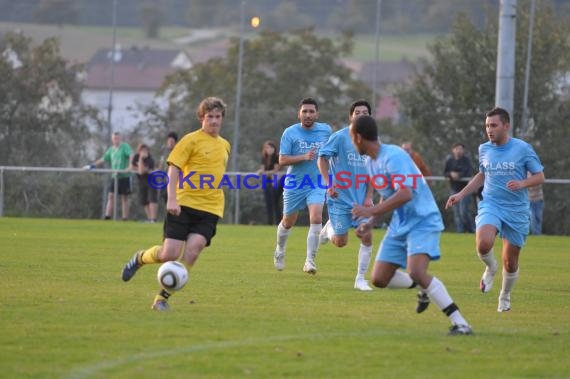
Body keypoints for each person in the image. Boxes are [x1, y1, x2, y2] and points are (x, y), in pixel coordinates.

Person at [351, 115, 472, 335]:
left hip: (422, 219)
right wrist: (371, 222)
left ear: (358, 137)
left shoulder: (394, 156)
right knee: (379, 279)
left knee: (416, 270)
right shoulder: (370, 162)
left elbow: (405, 193)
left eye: (352, 137)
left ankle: (461, 323)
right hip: (400, 222)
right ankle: (423, 287)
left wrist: (370, 211)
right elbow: (386, 197)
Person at [121, 97, 231, 311]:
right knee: (169, 254)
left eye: (218, 117)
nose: (214, 121)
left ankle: (161, 299)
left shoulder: (225, 145)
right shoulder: (191, 140)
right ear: (202, 118)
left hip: (210, 208)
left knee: (194, 250)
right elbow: (174, 168)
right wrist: (172, 198)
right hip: (184, 204)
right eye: (210, 117)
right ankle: (141, 258)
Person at [446, 107, 544, 312]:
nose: (489, 130)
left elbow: (539, 176)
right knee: (483, 244)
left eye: (494, 125)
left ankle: (505, 296)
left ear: (506, 125)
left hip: (516, 210)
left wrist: (522, 183)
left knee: (511, 261)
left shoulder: (522, 148)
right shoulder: (484, 149)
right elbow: (481, 175)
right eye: (487, 126)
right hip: (491, 203)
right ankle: (491, 267)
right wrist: (461, 194)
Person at [317, 99, 374, 291]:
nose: (360, 115)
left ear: (370, 117)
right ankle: (328, 230)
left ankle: (360, 279)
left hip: (362, 201)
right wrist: (328, 183)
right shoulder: (340, 137)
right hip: (339, 198)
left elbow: (374, 172)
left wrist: (369, 196)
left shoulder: (373, 141)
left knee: (367, 235)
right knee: (341, 242)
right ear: (351, 116)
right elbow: (322, 158)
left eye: (364, 112)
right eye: (357, 112)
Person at [273, 98, 332, 274]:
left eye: (311, 111)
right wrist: (303, 157)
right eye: (304, 111)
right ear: (298, 113)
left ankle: (310, 261)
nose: (308, 115)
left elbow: (331, 153)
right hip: (295, 183)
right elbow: (282, 160)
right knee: (288, 222)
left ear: (317, 114)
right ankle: (279, 251)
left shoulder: (326, 130)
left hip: (317, 182)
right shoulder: (290, 133)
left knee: (316, 218)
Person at [86, 132, 133, 221]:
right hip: (115, 176)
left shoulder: (125, 146)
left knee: (124, 197)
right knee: (111, 195)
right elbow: (104, 158)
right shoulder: (111, 149)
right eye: (114, 138)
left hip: (124, 176)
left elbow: (131, 154)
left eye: (118, 138)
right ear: (112, 139)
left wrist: (130, 165)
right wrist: (92, 165)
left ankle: (125, 218)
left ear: (120, 139)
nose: (116, 140)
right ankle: (107, 216)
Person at [444, 143, 475, 233]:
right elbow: (445, 173)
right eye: (457, 149)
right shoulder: (449, 161)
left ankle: (472, 230)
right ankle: (460, 232)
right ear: (453, 150)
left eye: (461, 149)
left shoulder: (466, 160)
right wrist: (451, 174)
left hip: (465, 191)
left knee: (463, 212)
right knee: (457, 213)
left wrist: (459, 175)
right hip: (454, 190)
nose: (459, 151)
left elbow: (468, 172)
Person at [131, 143, 158, 223]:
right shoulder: (136, 157)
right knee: (144, 200)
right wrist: (140, 160)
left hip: (151, 180)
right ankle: (149, 219)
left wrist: (140, 162)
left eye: (145, 150)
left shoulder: (150, 159)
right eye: (142, 150)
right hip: (141, 181)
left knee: (152, 199)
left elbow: (141, 171)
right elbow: (133, 167)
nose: (143, 152)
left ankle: (153, 219)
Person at [257, 140, 282, 225]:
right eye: (267, 148)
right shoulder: (264, 158)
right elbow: (262, 169)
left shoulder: (276, 157)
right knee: (268, 202)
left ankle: (279, 222)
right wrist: (261, 172)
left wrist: (264, 173)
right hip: (266, 180)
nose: (269, 149)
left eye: (271, 148)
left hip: (274, 180)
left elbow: (276, 170)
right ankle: (269, 222)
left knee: (275, 202)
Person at [158, 132, 179, 203]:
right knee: (165, 199)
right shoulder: (164, 151)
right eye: (169, 141)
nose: (170, 143)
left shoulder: (178, 151)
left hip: (174, 180)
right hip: (164, 179)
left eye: (172, 142)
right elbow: (161, 163)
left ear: (175, 142)